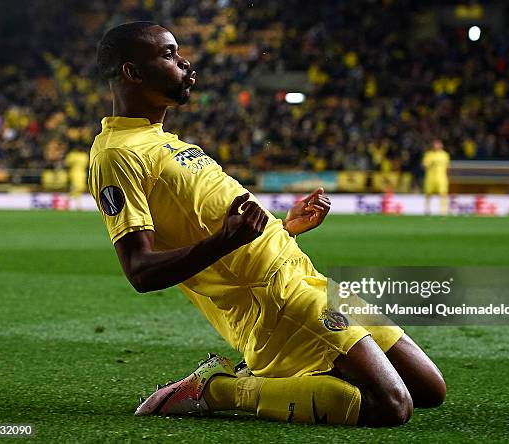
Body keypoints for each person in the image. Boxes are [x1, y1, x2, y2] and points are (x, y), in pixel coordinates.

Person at [88, 22, 445, 427]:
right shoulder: (117, 155)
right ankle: (220, 388)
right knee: (391, 405)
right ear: (133, 73)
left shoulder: (165, 140)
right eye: (169, 54)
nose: (184, 61)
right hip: (273, 301)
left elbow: (215, 224)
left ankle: (298, 372)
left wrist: (283, 228)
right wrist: (226, 240)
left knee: (429, 389)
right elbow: (140, 271)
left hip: (303, 274)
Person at [422, 139, 450, 215]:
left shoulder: (445, 155)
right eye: (435, 144)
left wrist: (447, 176)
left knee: (443, 193)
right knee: (428, 193)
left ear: (441, 145)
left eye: (438, 144)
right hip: (430, 178)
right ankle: (427, 210)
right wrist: (431, 164)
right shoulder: (428, 154)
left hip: (441, 178)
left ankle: (443, 211)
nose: (436, 146)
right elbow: (425, 166)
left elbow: (447, 167)